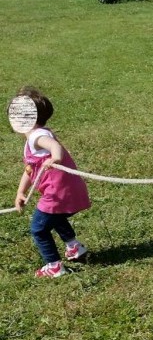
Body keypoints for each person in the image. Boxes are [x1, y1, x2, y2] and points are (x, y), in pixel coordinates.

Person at [11, 87, 90, 278]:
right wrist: (20, 192)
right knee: (56, 217)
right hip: (67, 190)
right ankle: (74, 247)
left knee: (39, 229)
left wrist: (55, 157)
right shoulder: (37, 135)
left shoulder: (38, 136)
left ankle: (54, 266)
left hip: (57, 193)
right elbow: (30, 169)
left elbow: (53, 146)